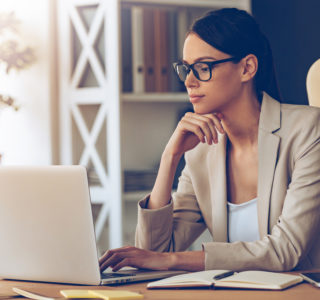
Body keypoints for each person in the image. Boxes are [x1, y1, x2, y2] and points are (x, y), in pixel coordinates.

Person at [99, 7, 320, 272]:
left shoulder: (308, 130)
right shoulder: (201, 152)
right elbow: (154, 253)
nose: (190, 81)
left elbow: (286, 250)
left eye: (203, 67)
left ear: (247, 68)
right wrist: (170, 158)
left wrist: (174, 260)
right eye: (186, 69)